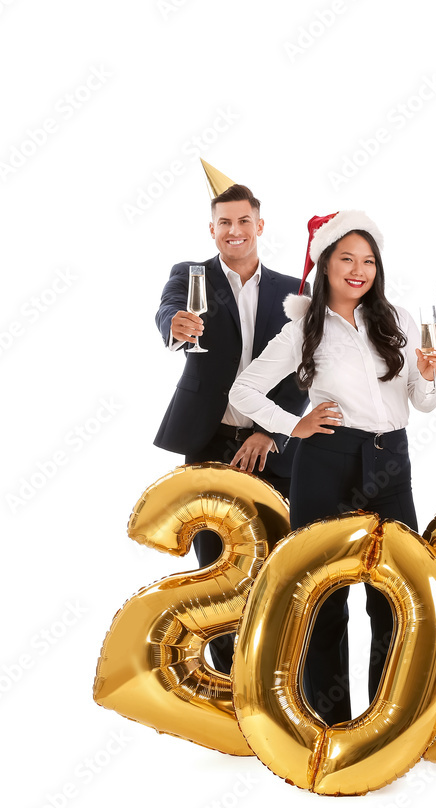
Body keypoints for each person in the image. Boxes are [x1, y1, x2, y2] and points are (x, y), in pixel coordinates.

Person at [229, 210, 436, 724]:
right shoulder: (304, 327)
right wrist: (292, 425)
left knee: (392, 595)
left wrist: (431, 376)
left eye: (368, 260)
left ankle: (386, 721)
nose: (359, 269)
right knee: (323, 594)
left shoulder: (398, 320)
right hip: (326, 460)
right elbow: (243, 390)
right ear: (325, 264)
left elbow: (426, 403)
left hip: (391, 460)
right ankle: (327, 722)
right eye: (347, 258)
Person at [153, 163, 308, 673]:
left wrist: (269, 431)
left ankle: (272, 674)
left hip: (269, 444)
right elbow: (169, 312)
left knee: (275, 563)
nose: (234, 231)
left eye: (244, 221)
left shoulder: (292, 290)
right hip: (208, 438)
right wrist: (176, 325)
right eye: (224, 223)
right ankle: (226, 680)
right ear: (212, 229)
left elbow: (304, 371)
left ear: (259, 226)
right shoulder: (189, 275)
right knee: (216, 566)